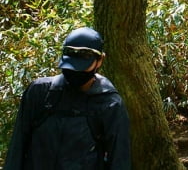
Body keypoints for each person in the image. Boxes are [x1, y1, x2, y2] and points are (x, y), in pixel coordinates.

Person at [5, 27, 131, 169]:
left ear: (100, 60)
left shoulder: (109, 104)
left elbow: (119, 161)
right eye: (71, 66)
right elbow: (17, 149)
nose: (75, 72)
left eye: (81, 66)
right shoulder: (40, 92)